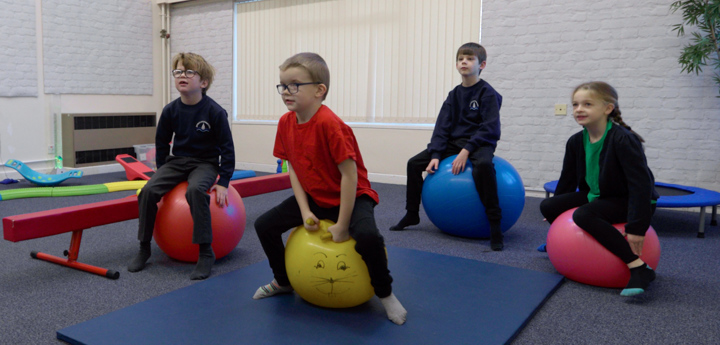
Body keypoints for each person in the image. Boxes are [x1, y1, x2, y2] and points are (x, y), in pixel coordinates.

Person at [252, 52, 407, 325]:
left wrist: (343, 224)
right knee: (264, 225)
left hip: (353, 196)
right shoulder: (285, 123)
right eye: (283, 85)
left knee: (368, 237)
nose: (286, 92)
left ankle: (386, 294)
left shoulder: (330, 125)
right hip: (315, 195)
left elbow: (350, 177)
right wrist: (303, 210)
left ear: (319, 90)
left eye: (294, 85)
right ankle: (284, 281)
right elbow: (295, 170)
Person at [539, 81, 659, 296]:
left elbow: (641, 186)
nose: (579, 109)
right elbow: (566, 180)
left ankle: (638, 267)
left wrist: (637, 227)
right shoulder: (576, 141)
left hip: (627, 198)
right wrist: (555, 214)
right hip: (598, 194)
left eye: (587, 104)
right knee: (548, 204)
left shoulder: (623, 139)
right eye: (575, 105)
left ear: (607, 108)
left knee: (584, 215)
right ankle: (556, 245)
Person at [127, 52, 235, 280]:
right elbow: (162, 142)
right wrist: (162, 171)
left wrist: (224, 182)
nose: (181, 76)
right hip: (177, 162)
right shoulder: (170, 111)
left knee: (195, 191)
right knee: (147, 191)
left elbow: (227, 149)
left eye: (188, 72)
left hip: (205, 163)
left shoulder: (215, 112)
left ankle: (206, 253)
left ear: (203, 82)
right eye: (178, 72)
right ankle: (144, 248)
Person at [389, 42, 504, 251]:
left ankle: (494, 224)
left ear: (482, 65)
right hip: (453, 143)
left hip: (480, 143)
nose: (464, 62)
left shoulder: (487, 93)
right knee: (414, 164)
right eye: (460, 59)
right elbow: (442, 127)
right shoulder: (454, 94)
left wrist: (466, 151)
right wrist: (435, 154)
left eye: (469, 59)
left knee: (484, 167)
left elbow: (490, 128)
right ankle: (412, 214)